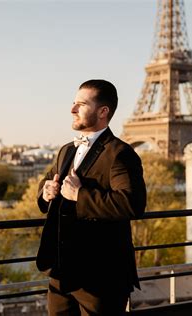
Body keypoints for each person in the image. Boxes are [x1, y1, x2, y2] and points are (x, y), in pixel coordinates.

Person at [36, 79, 147, 315]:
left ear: (103, 111)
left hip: (100, 276)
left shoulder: (120, 154)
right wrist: (46, 193)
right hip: (61, 271)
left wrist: (80, 195)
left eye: (81, 104)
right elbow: (46, 183)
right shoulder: (67, 150)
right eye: (73, 103)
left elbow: (132, 204)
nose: (72, 109)